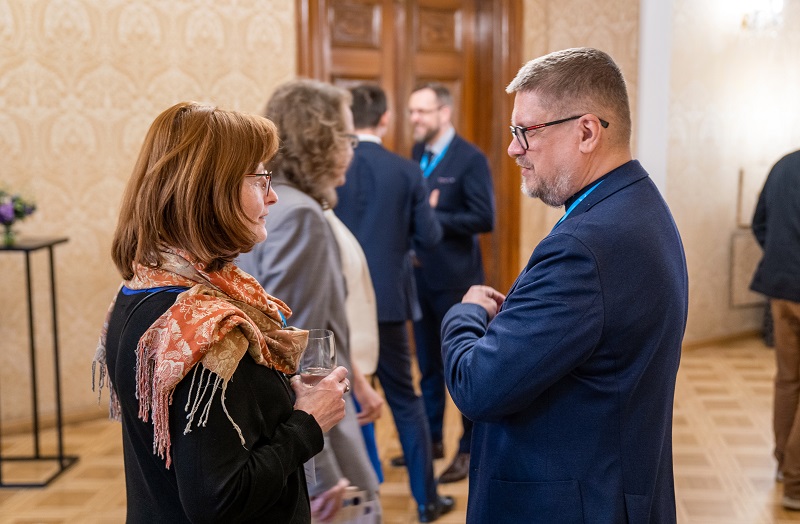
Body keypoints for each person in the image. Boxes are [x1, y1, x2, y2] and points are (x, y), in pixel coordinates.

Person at [440, 47, 689, 523]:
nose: (513, 148)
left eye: (526, 131)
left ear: (587, 131)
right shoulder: (638, 204)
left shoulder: (585, 246)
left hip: (570, 503)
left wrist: (465, 313)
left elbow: (477, 387)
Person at [91, 101, 351, 523]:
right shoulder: (205, 328)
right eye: (259, 178)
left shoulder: (140, 288)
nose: (273, 195)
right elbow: (219, 499)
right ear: (211, 191)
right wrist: (309, 422)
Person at [236, 79, 383, 523]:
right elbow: (301, 348)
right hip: (313, 437)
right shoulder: (300, 214)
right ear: (320, 140)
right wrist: (320, 470)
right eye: (346, 137)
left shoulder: (271, 204)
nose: (351, 150)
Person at [335, 84, 454, 521]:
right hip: (386, 304)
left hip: (337, 306)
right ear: (385, 119)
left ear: (350, 118)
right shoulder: (406, 171)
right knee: (405, 400)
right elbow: (430, 237)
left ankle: (356, 500)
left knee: (339, 400)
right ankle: (426, 501)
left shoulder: (333, 166)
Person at [404, 82, 495, 484]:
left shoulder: (470, 159)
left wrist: (433, 218)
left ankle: (468, 449)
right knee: (427, 366)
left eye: (421, 111)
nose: (414, 119)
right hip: (419, 278)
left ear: (444, 113)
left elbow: (484, 217)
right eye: (411, 111)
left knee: (464, 364)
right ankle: (433, 441)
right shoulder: (417, 154)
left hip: (457, 282)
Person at [750, 149, 800, 510]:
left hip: (780, 286)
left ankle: (784, 464)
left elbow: (759, 223)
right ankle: (797, 484)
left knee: (787, 379)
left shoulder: (784, 164)